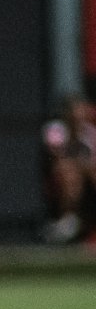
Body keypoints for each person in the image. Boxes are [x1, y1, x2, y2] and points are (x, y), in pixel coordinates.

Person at [41, 95, 96, 243]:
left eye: (81, 110)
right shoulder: (56, 129)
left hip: (86, 175)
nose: (78, 114)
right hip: (60, 174)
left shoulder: (89, 131)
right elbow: (56, 158)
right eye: (75, 110)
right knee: (70, 174)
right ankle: (67, 219)